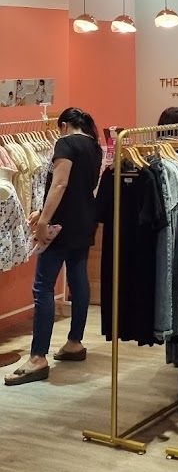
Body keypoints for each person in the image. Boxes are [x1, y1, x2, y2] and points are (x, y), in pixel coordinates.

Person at [5, 107, 103, 386]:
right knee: (78, 279)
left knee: (43, 286)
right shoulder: (94, 147)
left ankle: (38, 357)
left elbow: (59, 185)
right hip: (85, 221)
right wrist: (41, 211)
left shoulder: (66, 143)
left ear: (63, 125)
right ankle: (75, 342)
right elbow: (77, 188)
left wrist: (43, 221)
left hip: (61, 225)